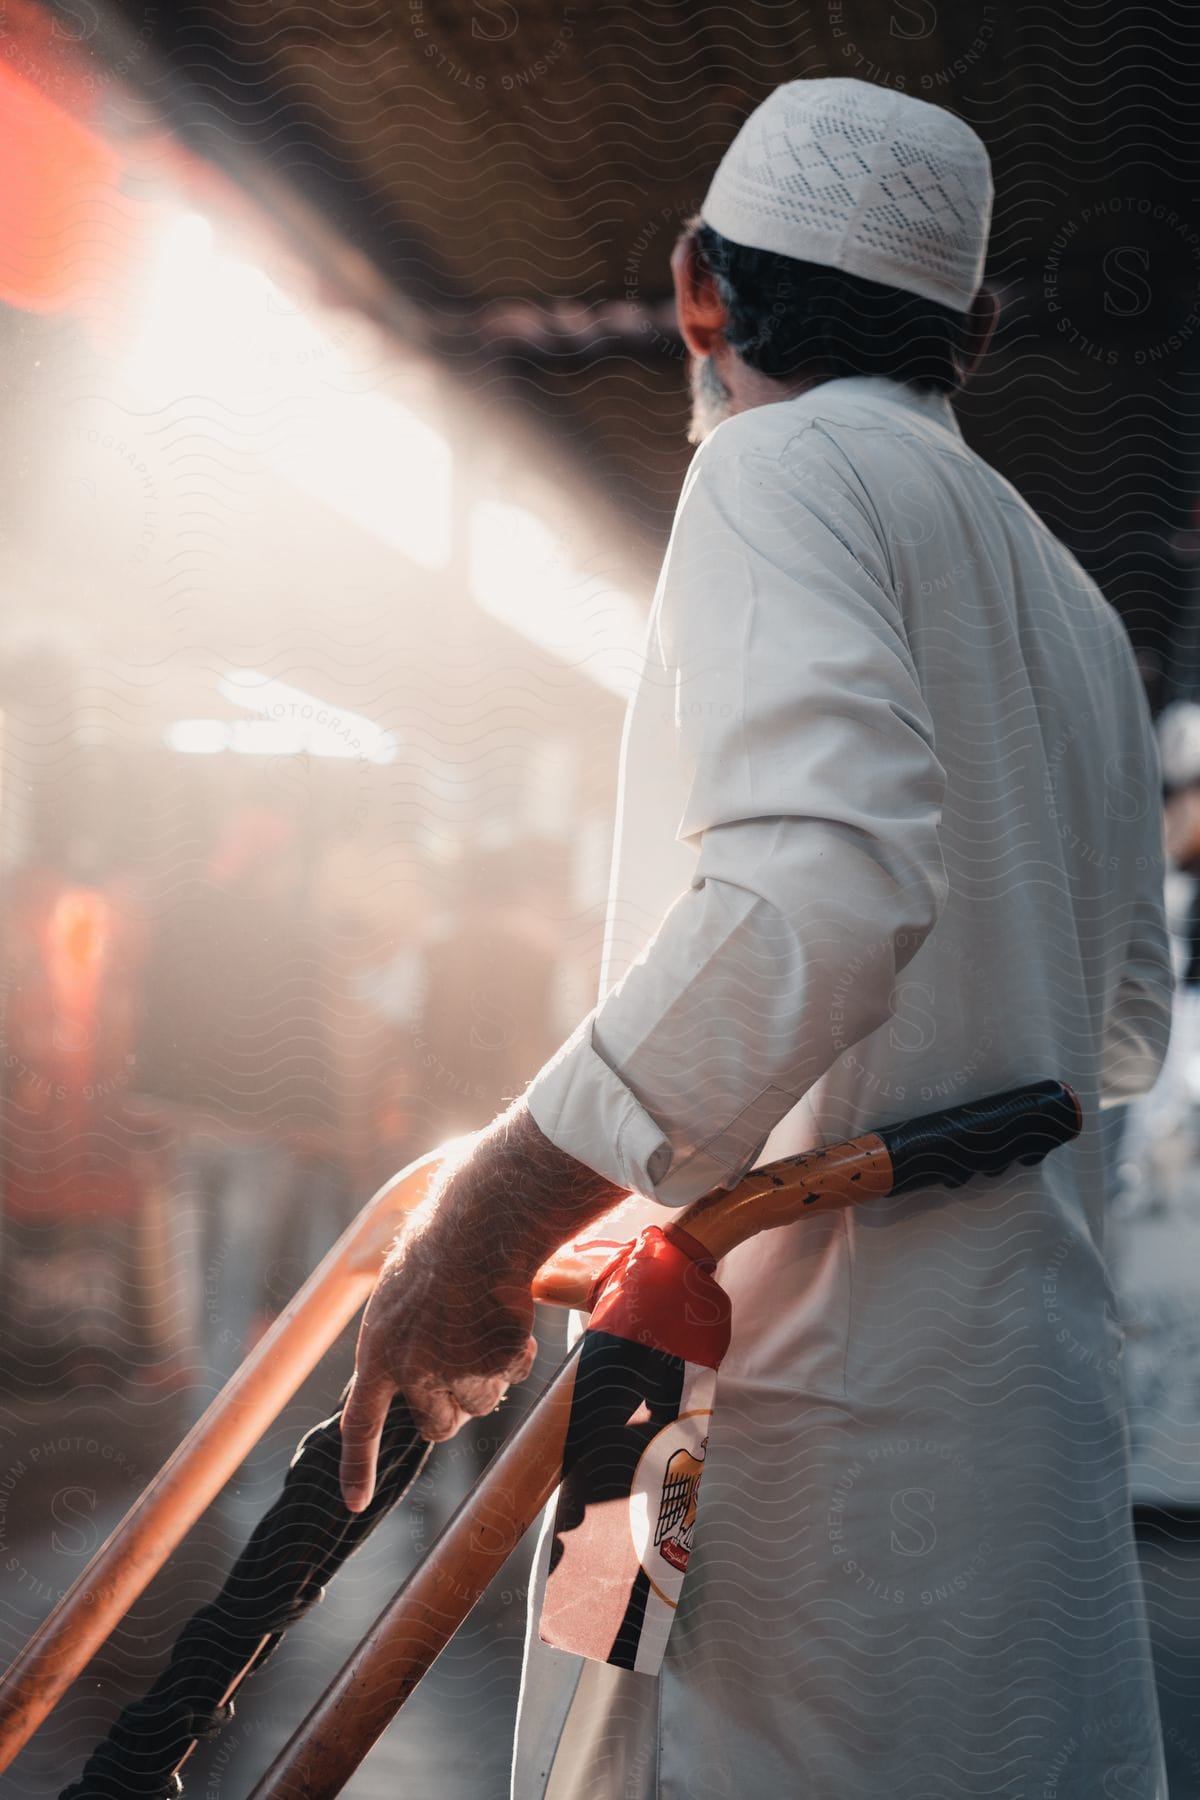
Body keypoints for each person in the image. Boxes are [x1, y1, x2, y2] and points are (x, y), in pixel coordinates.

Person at [338, 79, 1173, 1798]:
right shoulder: (1075, 604)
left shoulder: (778, 470)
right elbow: (1123, 1031)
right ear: (976, 333)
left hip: (777, 1403)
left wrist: (497, 1219)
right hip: (1018, 1386)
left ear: (699, 291)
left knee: (690, 1753)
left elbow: (816, 893)